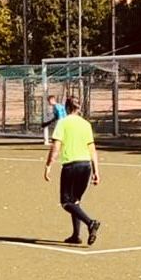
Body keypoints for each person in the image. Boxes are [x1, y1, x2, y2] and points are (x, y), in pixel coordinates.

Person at [44, 97, 103, 246]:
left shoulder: (63, 123)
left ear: (66, 107)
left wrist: (48, 165)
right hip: (86, 166)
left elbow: (56, 147)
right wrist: (96, 171)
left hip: (71, 166)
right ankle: (76, 235)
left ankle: (91, 223)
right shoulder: (86, 124)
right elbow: (92, 149)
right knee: (75, 201)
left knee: (65, 202)